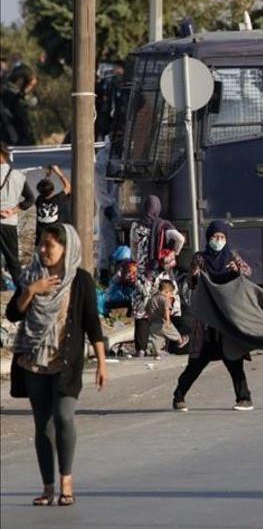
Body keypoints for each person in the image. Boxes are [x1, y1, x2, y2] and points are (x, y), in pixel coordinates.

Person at [6, 223, 107, 506]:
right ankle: (48, 487)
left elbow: (92, 323)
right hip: (33, 360)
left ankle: (66, 480)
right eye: (41, 244)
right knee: (43, 424)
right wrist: (31, 291)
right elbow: (13, 314)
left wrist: (101, 363)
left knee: (63, 417)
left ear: (66, 248)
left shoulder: (80, 280)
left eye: (49, 245)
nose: (43, 250)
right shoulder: (31, 276)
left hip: (66, 361)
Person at [172, 220, 253, 412]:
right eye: (215, 237)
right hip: (207, 321)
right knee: (197, 362)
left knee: (234, 359)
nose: (218, 240)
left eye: (222, 237)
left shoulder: (232, 257)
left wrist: (237, 270)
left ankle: (244, 398)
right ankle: (179, 395)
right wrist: (195, 275)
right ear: (208, 238)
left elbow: (248, 272)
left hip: (226, 319)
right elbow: (191, 285)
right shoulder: (200, 258)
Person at [0, 142, 36, 290]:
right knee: (13, 260)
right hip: (9, 222)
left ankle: (2, 286)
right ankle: (21, 291)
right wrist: (13, 210)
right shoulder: (18, 176)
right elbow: (30, 199)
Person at [128, 195, 184, 286]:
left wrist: (138, 259)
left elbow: (133, 251)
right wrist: (175, 252)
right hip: (160, 272)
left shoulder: (135, 226)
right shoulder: (163, 226)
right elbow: (181, 239)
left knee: (143, 297)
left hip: (143, 274)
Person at [138, 277, 188, 356]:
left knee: (157, 338)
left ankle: (158, 351)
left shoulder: (152, 298)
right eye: (170, 293)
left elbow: (147, 309)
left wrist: (149, 319)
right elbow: (166, 310)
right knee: (173, 332)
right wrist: (168, 321)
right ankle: (181, 341)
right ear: (166, 291)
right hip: (162, 322)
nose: (171, 295)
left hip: (153, 323)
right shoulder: (164, 299)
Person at [1, 61, 38, 146]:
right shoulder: (8, 76)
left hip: (16, 104)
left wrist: (24, 93)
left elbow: (33, 80)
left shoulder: (21, 71)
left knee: (22, 126)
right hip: (7, 105)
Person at [34, 165, 72, 243]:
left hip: (41, 238)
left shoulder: (39, 200)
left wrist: (47, 176)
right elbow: (68, 187)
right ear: (53, 189)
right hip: (56, 237)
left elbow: (44, 188)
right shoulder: (58, 199)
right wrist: (58, 172)